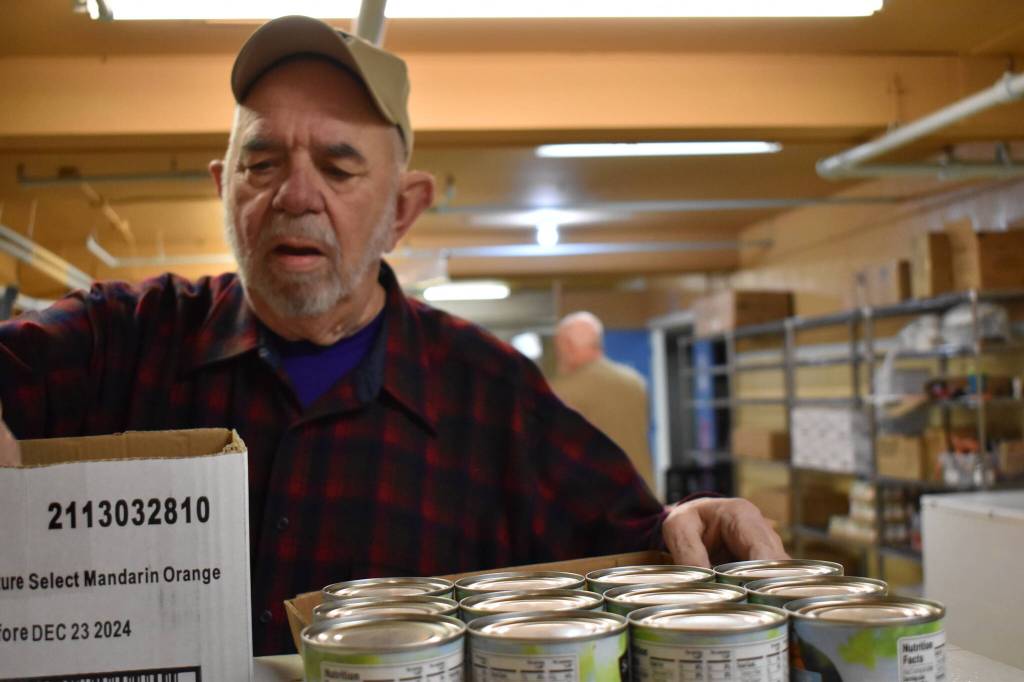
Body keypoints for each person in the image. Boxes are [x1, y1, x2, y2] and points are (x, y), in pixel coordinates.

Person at [0, 15, 786, 655]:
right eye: (262, 161)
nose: (294, 194)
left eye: (339, 170)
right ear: (223, 186)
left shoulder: (492, 396)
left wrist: (688, 531)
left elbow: (633, 543)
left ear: (403, 210)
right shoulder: (120, 342)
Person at [550, 312, 655, 491]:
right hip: (643, 494)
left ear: (567, 345)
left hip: (596, 501)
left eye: (558, 346)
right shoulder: (635, 381)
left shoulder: (561, 391)